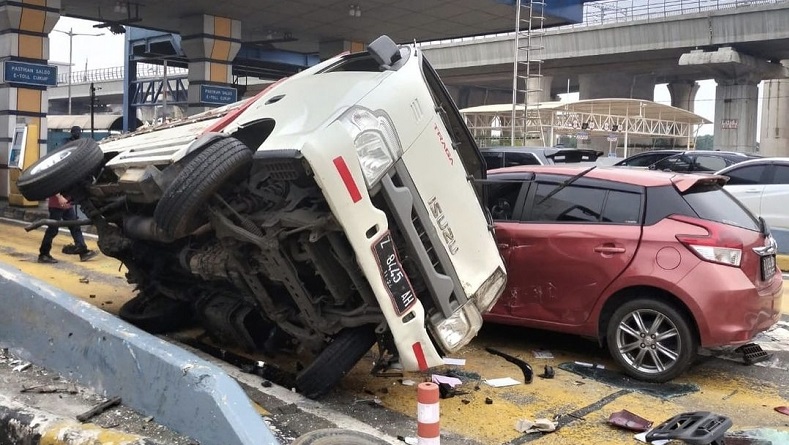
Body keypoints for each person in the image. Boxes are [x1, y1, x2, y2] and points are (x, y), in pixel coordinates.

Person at [38, 193, 98, 263]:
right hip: (56, 206)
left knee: (75, 226)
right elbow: (52, 187)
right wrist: (59, 197)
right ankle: (44, 255)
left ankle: (83, 251)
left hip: (67, 205)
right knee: (52, 230)